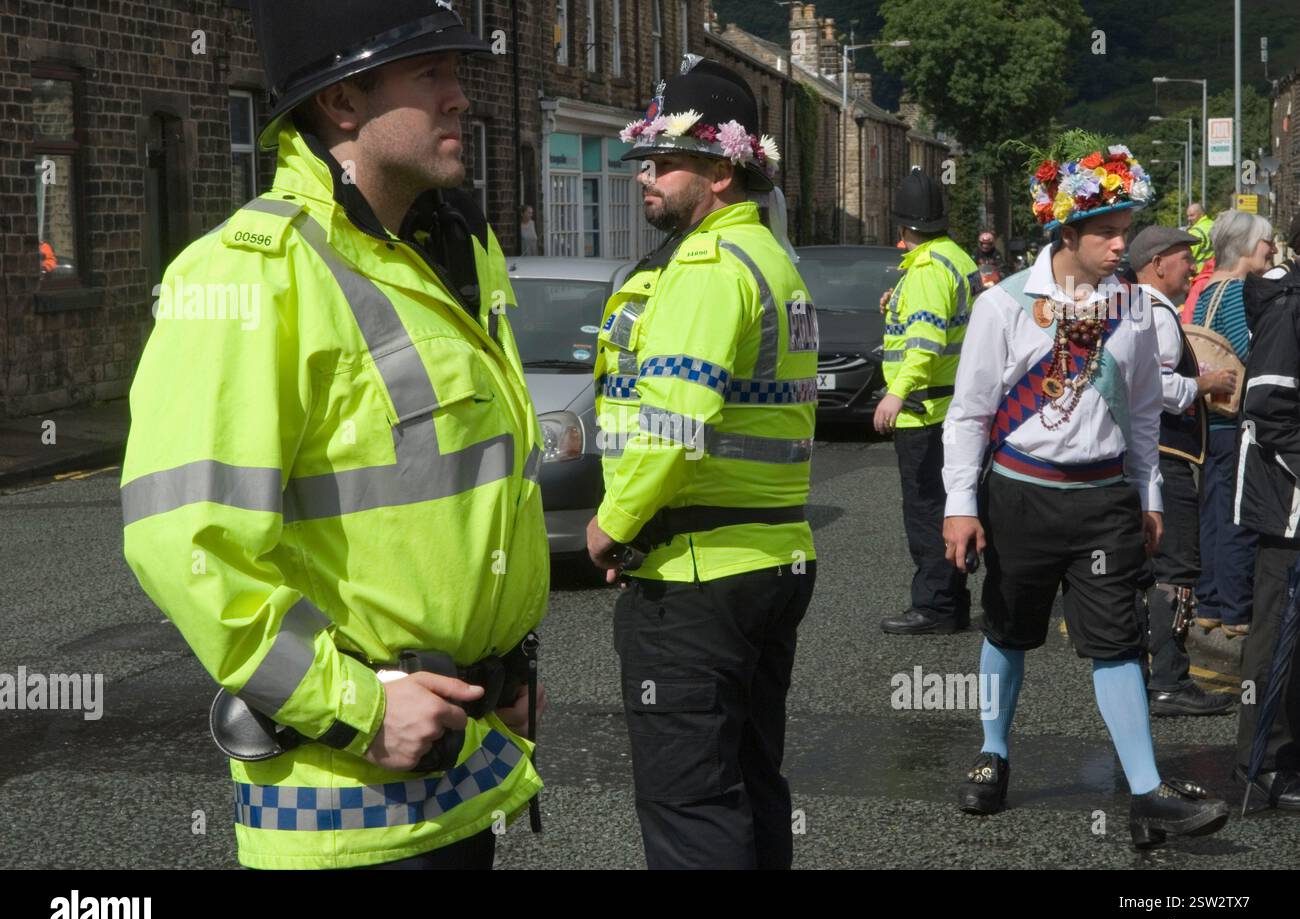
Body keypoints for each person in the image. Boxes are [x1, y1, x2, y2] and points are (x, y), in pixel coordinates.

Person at [120, 0, 549, 870]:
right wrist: (355, 704)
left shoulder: (454, 252)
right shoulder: (248, 275)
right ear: (343, 103)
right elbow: (183, 543)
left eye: (456, 73)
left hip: (461, 776)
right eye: (430, 74)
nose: (459, 97)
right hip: (343, 816)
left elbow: (470, 504)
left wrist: (503, 671)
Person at [943, 133, 1229, 848]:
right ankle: (994, 753)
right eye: (1106, 234)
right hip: (1021, 494)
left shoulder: (1133, 310)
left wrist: (1150, 496)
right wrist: (958, 505)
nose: (1118, 248)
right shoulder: (1004, 305)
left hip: (1104, 501)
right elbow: (971, 414)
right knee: (1008, 628)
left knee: (1118, 643)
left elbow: (1139, 414)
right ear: (1064, 232)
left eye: (1124, 234)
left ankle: (1145, 792)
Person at [585, 55, 816, 869]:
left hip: (697, 572)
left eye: (665, 161)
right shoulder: (771, 261)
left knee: (690, 804)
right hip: (767, 557)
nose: (645, 177)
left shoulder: (707, 269)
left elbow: (674, 425)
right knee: (751, 780)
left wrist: (611, 525)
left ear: (720, 172)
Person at [1130, 226, 1237, 716]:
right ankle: (1169, 680)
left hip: (1148, 456)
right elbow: (1160, 387)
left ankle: (1143, 675)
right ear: (1157, 264)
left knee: (1149, 571)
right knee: (1176, 570)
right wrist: (1206, 383)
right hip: (1164, 459)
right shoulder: (1155, 313)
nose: (1192, 268)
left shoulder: (1136, 308)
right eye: (1184, 259)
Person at [874, 168, 978, 634]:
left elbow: (926, 341)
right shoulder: (956, 257)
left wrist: (897, 393)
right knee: (951, 503)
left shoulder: (927, 268)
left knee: (927, 512)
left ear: (902, 227)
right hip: (952, 404)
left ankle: (936, 606)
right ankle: (951, 600)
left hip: (926, 410)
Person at [1233, 256, 1300, 809]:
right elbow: (1269, 409)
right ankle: (1261, 765)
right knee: (1276, 630)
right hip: (1288, 504)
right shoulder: (1288, 309)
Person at [1190, 210, 1273, 639]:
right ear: (1245, 247)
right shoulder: (1239, 291)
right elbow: (1251, 349)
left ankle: (1212, 603)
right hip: (1234, 417)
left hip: (1210, 419)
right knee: (1238, 517)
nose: (1272, 250)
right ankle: (1238, 610)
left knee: (1214, 514)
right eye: (1266, 243)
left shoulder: (1206, 289)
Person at [1187, 202, 1215, 270]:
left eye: (1192, 215)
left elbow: (1188, 255)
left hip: (1199, 272)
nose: (1189, 219)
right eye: (1188, 216)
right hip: (1214, 269)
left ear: (1201, 214)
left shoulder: (1195, 231)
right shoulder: (1214, 224)